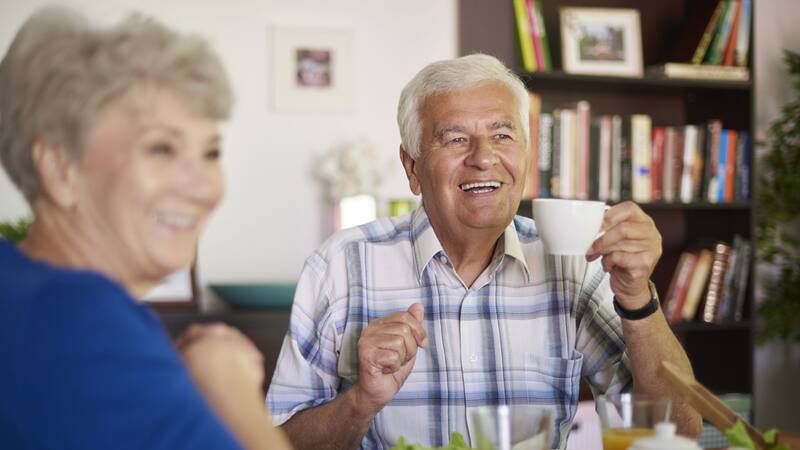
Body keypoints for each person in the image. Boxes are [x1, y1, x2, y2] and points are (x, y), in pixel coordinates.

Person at [267, 54, 702, 449]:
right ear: (412, 168)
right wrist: (361, 402)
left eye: (502, 135)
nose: (483, 158)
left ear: (527, 157)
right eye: (455, 140)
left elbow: (678, 432)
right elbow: (274, 443)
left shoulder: (576, 265)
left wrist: (636, 297)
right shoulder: (341, 266)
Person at [0, 7, 290, 450]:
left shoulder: (21, 286)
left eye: (211, 153)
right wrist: (230, 387)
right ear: (61, 169)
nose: (203, 188)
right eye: (161, 149)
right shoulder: (85, 320)